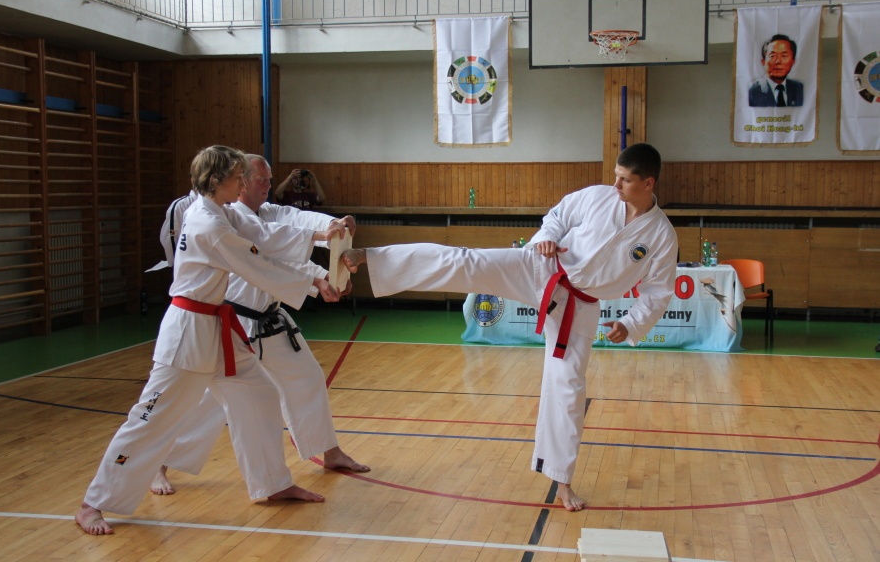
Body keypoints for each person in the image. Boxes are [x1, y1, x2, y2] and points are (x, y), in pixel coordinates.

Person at [340, 143, 678, 512]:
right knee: (466, 262)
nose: (615, 185)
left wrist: (630, 324)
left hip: (580, 307)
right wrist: (545, 237)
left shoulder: (661, 235)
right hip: (543, 268)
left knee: (568, 389)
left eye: (624, 180)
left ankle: (562, 481)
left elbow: (658, 291)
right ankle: (371, 258)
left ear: (648, 183)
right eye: (615, 176)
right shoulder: (598, 197)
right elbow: (558, 216)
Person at [75, 146, 344, 535]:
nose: (243, 184)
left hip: (219, 329)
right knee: (151, 418)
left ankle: (272, 483)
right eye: (237, 177)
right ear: (218, 180)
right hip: (188, 334)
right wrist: (314, 281)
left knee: (260, 395)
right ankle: (93, 503)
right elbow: (255, 265)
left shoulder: (220, 211)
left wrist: (321, 234)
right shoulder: (209, 225)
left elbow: (261, 233)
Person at [151, 154, 369, 497]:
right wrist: (317, 279)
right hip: (235, 322)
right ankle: (159, 465)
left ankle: (329, 451)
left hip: (271, 320)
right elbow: (268, 255)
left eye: (270, 179)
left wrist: (335, 226)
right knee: (210, 403)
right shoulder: (228, 217)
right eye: (259, 180)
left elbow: (295, 222)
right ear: (239, 183)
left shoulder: (268, 212)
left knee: (307, 377)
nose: (267, 185)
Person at [748, 34, 804, 107]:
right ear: (763, 62)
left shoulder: (799, 89)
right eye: (772, 56)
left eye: (784, 56)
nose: (778, 61)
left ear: (793, 62)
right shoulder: (752, 91)